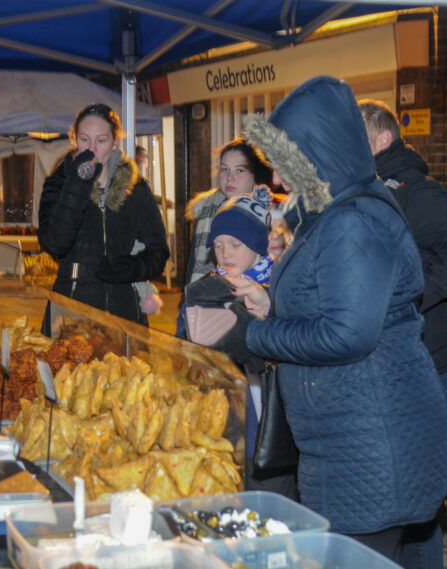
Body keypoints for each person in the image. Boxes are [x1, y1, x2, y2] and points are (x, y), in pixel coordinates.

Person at [215, 76, 447, 562]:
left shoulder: (352, 220)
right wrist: (272, 302)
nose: (278, 181)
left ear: (317, 155)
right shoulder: (334, 212)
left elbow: (348, 334)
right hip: (352, 439)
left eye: (284, 167)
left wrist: (262, 332)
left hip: (372, 446)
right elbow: (335, 302)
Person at [358, 99, 447, 569]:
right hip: (401, 361)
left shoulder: (409, 190)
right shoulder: (374, 190)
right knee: (403, 492)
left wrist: (415, 291)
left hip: (427, 365)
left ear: (382, 140)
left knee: (415, 496)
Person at [182, 187, 296, 498]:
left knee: (272, 496)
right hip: (226, 418)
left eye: (235, 244)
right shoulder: (204, 290)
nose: (225, 253)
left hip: (273, 425)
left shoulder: (280, 289)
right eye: (218, 245)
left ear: (258, 246)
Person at [38, 103, 169, 328]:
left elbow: (158, 251)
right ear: (74, 140)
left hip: (125, 313)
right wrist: (77, 184)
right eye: (84, 140)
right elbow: (54, 243)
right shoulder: (59, 182)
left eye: (101, 140)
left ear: (115, 142)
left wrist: (130, 267)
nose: (92, 149)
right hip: (72, 309)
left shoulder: (135, 188)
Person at [176, 138, 272, 338]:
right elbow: (195, 267)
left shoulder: (270, 220)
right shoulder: (207, 210)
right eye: (224, 170)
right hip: (201, 307)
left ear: (255, 175)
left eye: (240, 170)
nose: (230, 178)